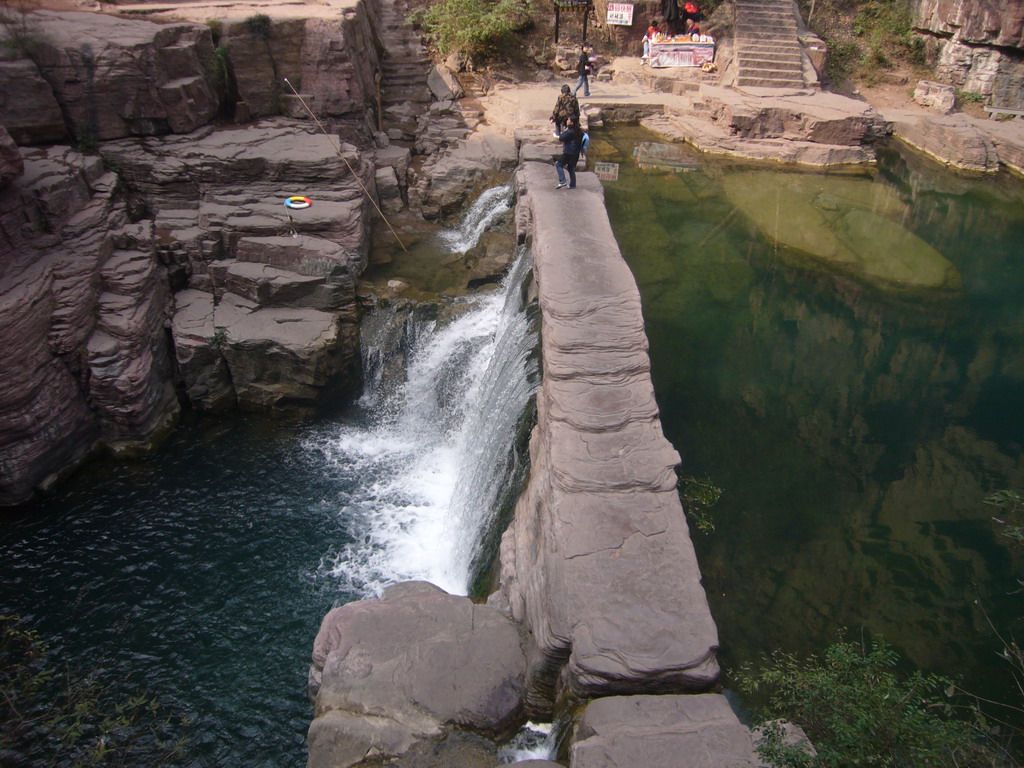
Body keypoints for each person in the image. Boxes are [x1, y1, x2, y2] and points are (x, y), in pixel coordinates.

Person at [553, 116, 585, 189]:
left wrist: (558, 134)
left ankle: (562, 181)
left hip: (569, 152)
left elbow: (561, 137)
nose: (567, 121)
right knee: (571, 168)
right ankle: (572, 184)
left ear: (572, 122)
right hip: (576, 153)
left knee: (559, 165)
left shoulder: (570, 131)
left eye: (568, 120)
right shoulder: (580, 131)